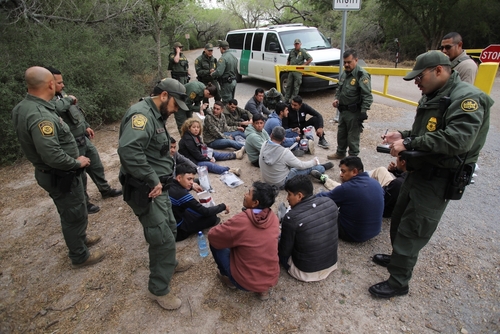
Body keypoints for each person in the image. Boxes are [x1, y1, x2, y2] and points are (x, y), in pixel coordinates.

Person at [369, 51, 493, 299]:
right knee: (400, 218)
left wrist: (410, 141)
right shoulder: (436, 94)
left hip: (438, 178)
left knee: (413, 229)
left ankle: (399, 282)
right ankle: (397, 259)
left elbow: (458, 139)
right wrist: (401, 135)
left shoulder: (467, 98)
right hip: (418, 172)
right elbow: (427, 130)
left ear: (438, 70)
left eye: (419, 76)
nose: (416, 82)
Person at [12, 66, 105, 269]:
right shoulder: (40, 115)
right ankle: (79, 255)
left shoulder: (25, 107)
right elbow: (51, 154)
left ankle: (80, 240)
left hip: (57, 172)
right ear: (50, 84)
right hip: (61, 173)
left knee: (75, 209)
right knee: (73, 214)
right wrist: (76, 162)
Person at [117, 78, 192, 310]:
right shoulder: (141, 116)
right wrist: (152, 178)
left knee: (170, 227)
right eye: (175, 105)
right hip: (148, 189)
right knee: (161, 238)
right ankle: (158, 289)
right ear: (164, 96)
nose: (176, 110)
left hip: (160, 187)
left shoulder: (155, 114)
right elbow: (128, 151)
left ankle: (169, 263)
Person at [47, 66, 122, 214]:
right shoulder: (48, 101)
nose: (63, 85)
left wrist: (86, 126)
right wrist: (69, 99)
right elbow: (57, 109)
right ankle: (84, 202)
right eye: (59, 83)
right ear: (49, 83)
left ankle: (105, 190)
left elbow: (76, 112)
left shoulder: (62, 95)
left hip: (83, 137)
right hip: (71, 143)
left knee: (96, 165)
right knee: (79, 174)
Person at [208, 181, 280, 300]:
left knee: (216, 243)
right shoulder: (273, 218)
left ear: (255, 203)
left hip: (245, 282)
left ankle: (229, 279)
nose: (244, 195)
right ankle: (263, 290)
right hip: (270, 277)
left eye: (248, 193)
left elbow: (213, 236)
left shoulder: (241, 221)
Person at [279, 175, 338, 282]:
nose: (287, 198)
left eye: (289, 194)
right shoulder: (330, 203)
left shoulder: (291, 218)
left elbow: (284, 252)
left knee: (276, 240)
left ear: (300, 196)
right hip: (331, 264)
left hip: (305, 272)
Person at [316, 156, 384, 243]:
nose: (341, 175)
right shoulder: (376, 183)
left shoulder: (347, 188)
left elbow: (322, 199)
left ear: (354, 171)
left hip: (352, 234)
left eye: (343, 171)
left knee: (321, 208)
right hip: (374, 231)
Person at [328, 49, 373, 159]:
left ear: (356, 60)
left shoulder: (361, 75)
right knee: (341, 133)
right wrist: (336, 98)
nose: (346, 65)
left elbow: (367, 96)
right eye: (345, 62)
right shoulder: (345, 73)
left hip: (354, 112)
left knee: (352, 137)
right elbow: (339, 88)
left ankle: (352, 158)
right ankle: (340, 152)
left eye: (349, 62)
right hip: (343, 111)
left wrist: (363, 111)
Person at [259, 126, 333, 189]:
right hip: (281, 183)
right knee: (304, 168)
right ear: (283, 139)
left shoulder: (264, 145)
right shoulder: (285, 153)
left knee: (289, 165)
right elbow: (301, 165)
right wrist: (313, 162)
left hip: (267, 180)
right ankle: (322, 167)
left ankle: (318, 167)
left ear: (271, 135)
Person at [169, 164, 229, 241]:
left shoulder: (170, 183)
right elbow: (205, 212)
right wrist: (223, 206)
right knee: (212, 218)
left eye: (192, 179)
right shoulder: (181, 194)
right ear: (179, 178)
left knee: (193, 209)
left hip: (170, 219)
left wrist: (192, 185)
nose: (191, 182)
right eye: (189, 179)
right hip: (177, 230)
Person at [178, 117, 243, 176]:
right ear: (189, 128)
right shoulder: (188, 139)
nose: (196, 129)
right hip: (192, 162)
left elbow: (200, 149)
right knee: (210, 165)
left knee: (214, 153)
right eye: (194, 127)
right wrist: (208, 159)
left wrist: (208, 155)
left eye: (198, 127)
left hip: (198, 156)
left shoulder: (194, 136)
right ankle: (229, 170)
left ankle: (235, 155)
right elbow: (196, 154)